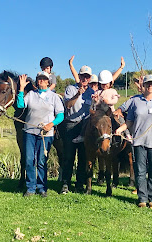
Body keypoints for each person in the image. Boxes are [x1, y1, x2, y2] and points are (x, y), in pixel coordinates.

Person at [115, 75, 152, 209]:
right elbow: (130, 122)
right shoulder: (135, 101)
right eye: (148, 83)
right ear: (144, 85)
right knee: (140, 171)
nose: (150, 86)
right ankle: (142, 198)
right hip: (139, 142)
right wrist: (120, 129)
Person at [17, 71, 64, 197]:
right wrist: (21, 89)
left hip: (46, 134)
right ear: (37, 81)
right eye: (39, 79)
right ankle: (31, 188)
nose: (41, 81)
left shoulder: (54, 97)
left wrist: (51, 124)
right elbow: (21, 105)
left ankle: (42, 188)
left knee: (42, 161)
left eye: (44, 79)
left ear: (48, 82)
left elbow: (60, 115)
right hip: (30, 132)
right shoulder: (31, 94)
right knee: (29, 160)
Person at [61, 65, 94, 194]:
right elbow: (67, 105)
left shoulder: (91, 92)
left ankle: (79, 184)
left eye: (87, 76)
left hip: (85, 126)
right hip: (71, 125)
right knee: (69, 156)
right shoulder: (70, 88)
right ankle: (65, 184)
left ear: (90, 78)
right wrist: (77, 94)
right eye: (83, 76)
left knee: (83, 157)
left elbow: (93, 111)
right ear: (79, 76)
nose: (85, 78)